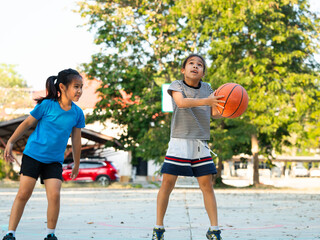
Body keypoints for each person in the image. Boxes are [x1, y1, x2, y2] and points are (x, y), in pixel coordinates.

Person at [2, 69, 85, 240]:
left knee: (54, 195)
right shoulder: (47, 105)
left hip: (54, 160)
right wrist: (10, 142)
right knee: (24, 193)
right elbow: (26, 124)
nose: (79, 91)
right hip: (33, 155)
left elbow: (76, 140)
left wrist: (76, 164)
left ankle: (50, 234)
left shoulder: (77, 113)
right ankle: (10, 233)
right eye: (76, 86)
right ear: (62, 87)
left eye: (81, 87)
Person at [152, 54, 224, 240]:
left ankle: (214, 230)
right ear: (183, 70)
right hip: (179, 141)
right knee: (168, 184)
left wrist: (229, 107)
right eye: (191, 63)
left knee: (207, 185)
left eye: (199, 65)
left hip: (200, 143)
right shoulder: (177, 85)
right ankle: (158, 228)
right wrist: (208, 101)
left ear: (203, 72)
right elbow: (182, 103)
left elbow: (215, 114)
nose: (195, 66)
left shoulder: (208, 89)